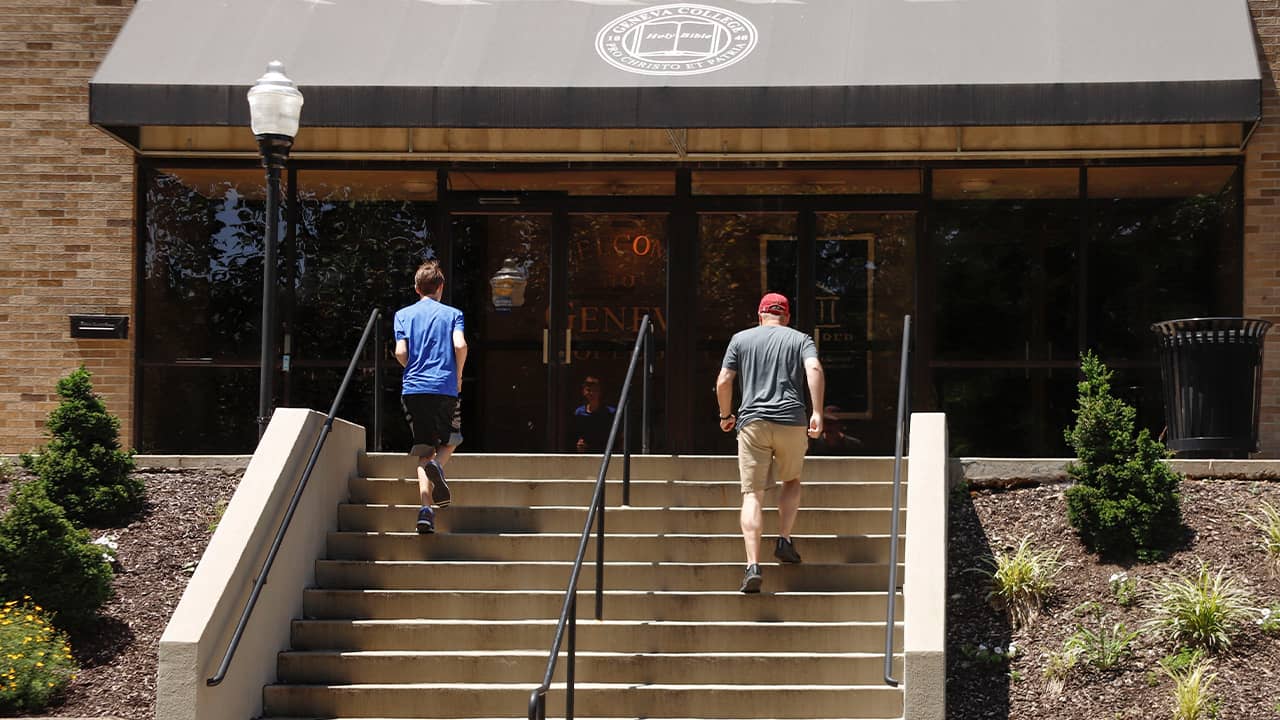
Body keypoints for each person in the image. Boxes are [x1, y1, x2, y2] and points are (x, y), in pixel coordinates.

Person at [715, 292, 825, 593]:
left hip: (753, 423)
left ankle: (752, 565)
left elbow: (724, 380)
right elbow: (813, 369)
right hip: (792, 420)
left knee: (752, 494)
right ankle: (784, 539)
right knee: (791, 480)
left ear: (760, 314)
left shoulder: (741, 339)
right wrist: (816, 411)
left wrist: (726, 415)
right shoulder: (801, 339)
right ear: (786, 316)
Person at [394, 259, 467, 535]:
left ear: (417, 288)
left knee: (423, 449)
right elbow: (460, 344)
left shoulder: (403, 315)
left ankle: (426, 512)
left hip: (413, 389)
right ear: (441, 287)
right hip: (445, 388)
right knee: (452, 439)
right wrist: (457, 375)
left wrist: (413, 368)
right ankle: (439, 465)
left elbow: (401, 353)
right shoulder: (453, 314)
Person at [571, 375, 617, 452]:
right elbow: (575, 436)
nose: (591, 393)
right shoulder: (579, 413)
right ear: (584, 392)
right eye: (588, 390)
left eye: (595, 390)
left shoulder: (611, 413)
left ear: (600, 392)